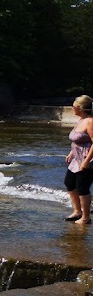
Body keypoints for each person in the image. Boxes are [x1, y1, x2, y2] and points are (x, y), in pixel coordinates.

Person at [64, 95, 93, 224]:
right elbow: (77, 139)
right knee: (69, 183)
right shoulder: (81, 119)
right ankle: (77, 211)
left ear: (80, 108)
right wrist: (71, 153)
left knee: (82, 187)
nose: (72, 108)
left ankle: (86, 217)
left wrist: (86, 162)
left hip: (87, 158)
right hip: (76, 158)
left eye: (74, 106)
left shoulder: (90, 121)